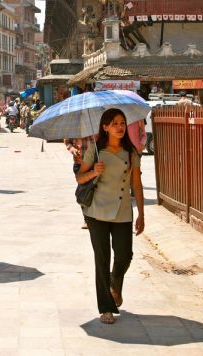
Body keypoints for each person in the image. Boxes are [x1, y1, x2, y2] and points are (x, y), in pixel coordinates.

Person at [76, 108, 144, 325]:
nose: (120, 127)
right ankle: (106, 307)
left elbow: (136, 184)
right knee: (102, 258)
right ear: (105, 127)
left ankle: (115, 286)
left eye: (122, 122)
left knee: (125, 255)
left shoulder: (131, 153)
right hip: (96, 212)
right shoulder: (95, 151)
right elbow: (80, 179)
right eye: (114, 123)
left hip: (123, 211)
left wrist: (141, 213)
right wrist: (94, 172)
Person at [65, 135, 96, 229]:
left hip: (94, 162)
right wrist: (73, 149)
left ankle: (96, 216)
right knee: (84, 191)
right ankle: (87, 219)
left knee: (96, 190)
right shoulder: (72, 126)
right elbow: (67, 142)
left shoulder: (95, 124)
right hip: (79, 163)